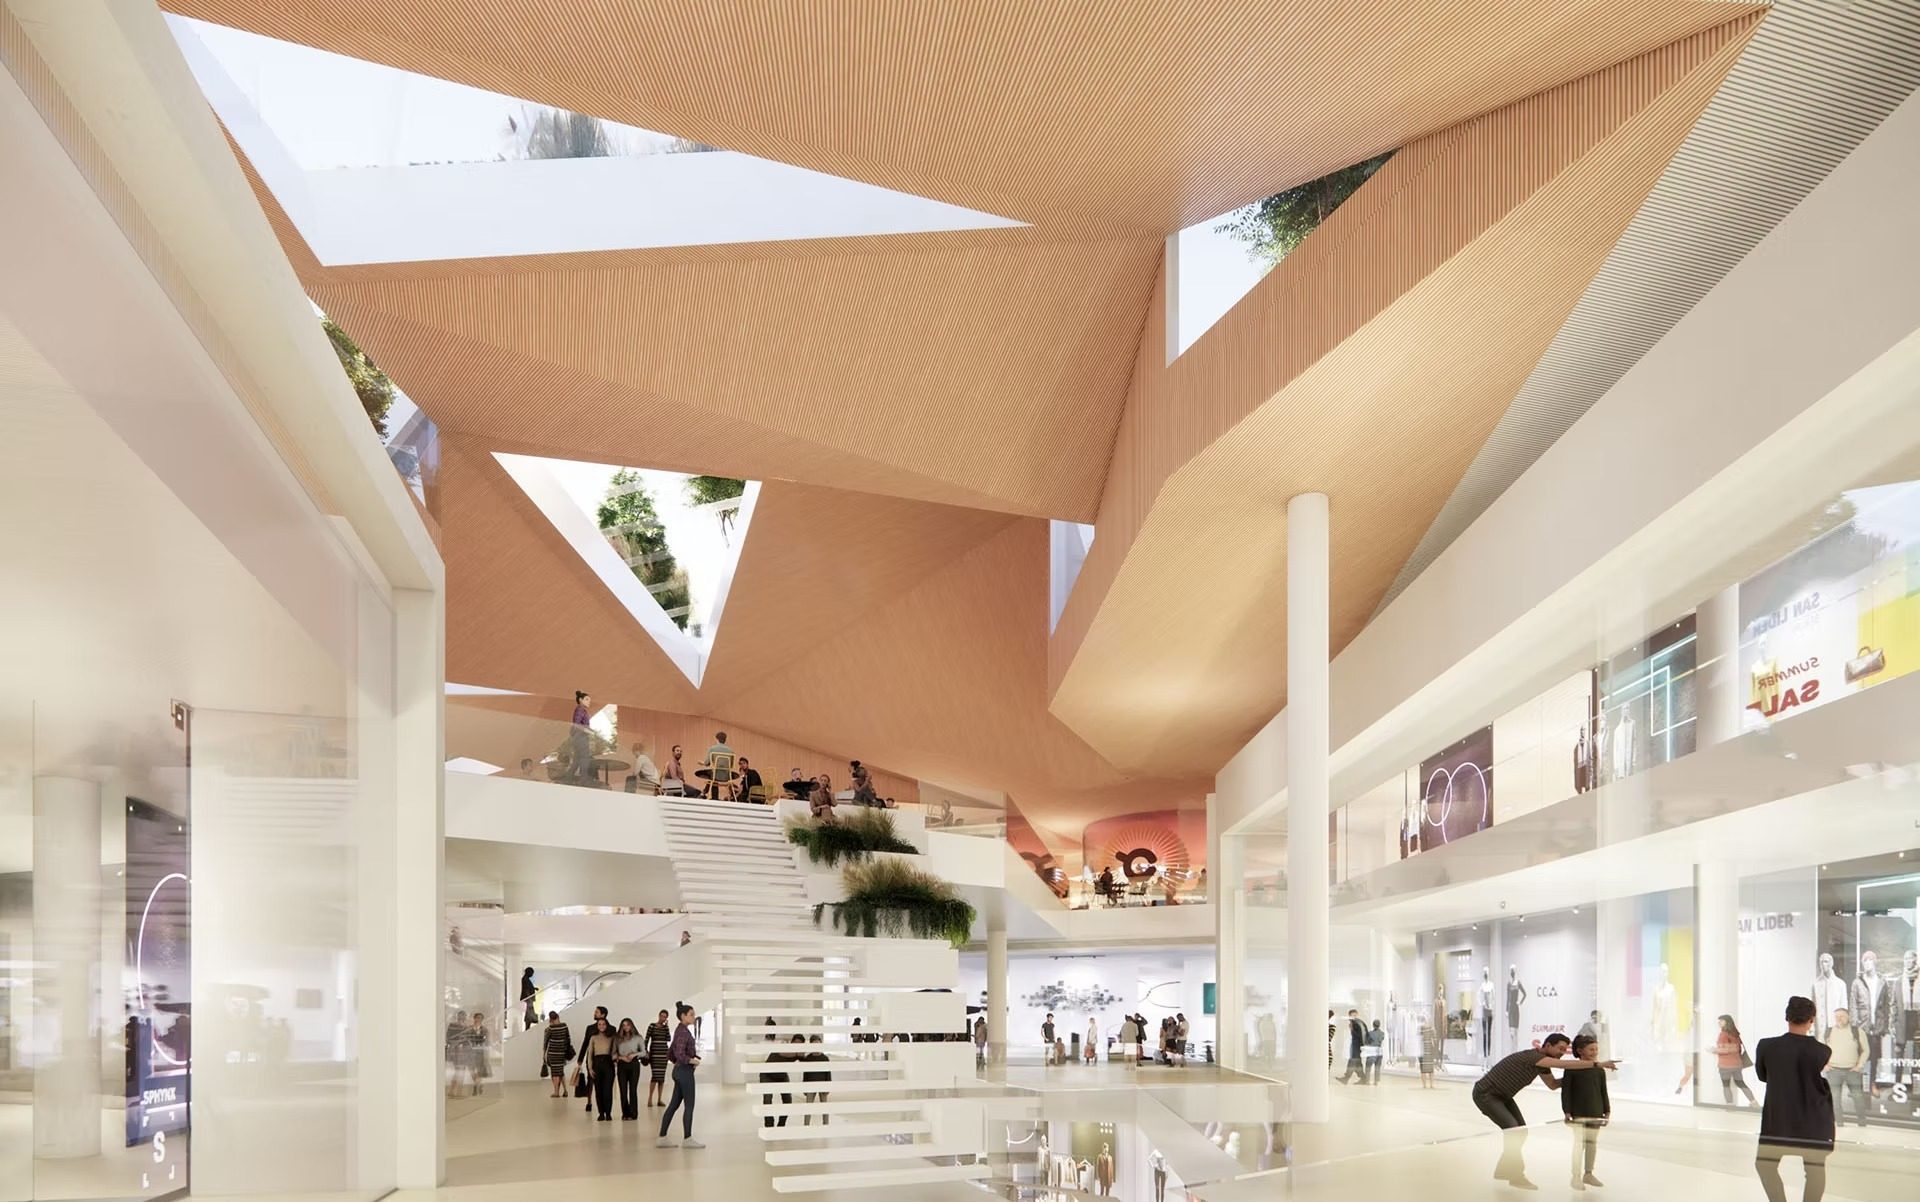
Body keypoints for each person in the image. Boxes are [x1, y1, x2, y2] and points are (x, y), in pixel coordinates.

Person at [1471, 1032, 1617, 1189]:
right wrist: (1597, 1064)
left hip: (1503, 1096)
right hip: (1486, 1094)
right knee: (1514, 1130)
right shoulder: (1534, 1057)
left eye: (1564, 1050)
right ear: (1547, 1046)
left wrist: (1579, 1079)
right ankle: (1516, 1176)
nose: (1561, 1053)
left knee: (1520, 1130)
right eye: (1559, 1049)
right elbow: (1564, 1065)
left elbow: (1553, 1084)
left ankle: (1505, 1171)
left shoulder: (1542, 1064)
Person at [1754, 996, 1834, 1202]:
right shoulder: (1822, 1051)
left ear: (1787, 1017)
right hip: (1813, 1121)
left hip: (1779, 1119)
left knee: (1764, 1164)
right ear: (1812, 1020)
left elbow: (1763, 1076)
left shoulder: (1766, 1047)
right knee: (1815, 1169)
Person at [1562, 1033, 1610, 1190]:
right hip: (1577, 1112)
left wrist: (1607, 1110)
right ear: (1580, 1050)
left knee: (1592, 1144)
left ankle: (1588, 1174)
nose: (1595, 1052)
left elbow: (1604, 1091)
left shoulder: (1599, 1069)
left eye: (1596, 1049)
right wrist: (1567, 1112)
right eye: (1591, 1049)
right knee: (1579, 1144)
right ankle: (1575, 1176)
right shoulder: (1571, 1069)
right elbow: (1566, 1092)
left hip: (1596, 1111)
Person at [656, 1002, 704, 1148]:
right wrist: (691, 1060)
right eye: (691, 1015)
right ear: (683, 1016)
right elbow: (678, 1053)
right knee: (689, 1105)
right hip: (684, 1072)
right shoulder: (683, 1032)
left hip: (678, 1071)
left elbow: (671, 1052)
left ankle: (662, 1138)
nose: (694, 1017)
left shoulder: (679, 1030)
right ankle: (687, 1139)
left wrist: (688, 1058)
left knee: (673, 1105)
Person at [1822, 1006, 1869, 1127]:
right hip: (1833, 1071)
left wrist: (1860, 1065)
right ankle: (1839, 1123)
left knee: (1858, 1097)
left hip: (1852, 1070)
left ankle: (1862, 1122)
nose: (1839, 1019)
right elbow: (1819, 1050)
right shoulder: (1828, 1032)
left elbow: (1866, 1050)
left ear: (1848, 1017)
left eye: (1842, 1016)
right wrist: (1824, 1065)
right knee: (1835, 1099)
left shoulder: (1857, 1031)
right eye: (1836, 1017)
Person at [579, 1007, 617, 1121]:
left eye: (603, 1024)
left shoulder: (611, 1035)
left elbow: (615, 1050)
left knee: (607, 1090)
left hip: (608, 1064)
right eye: (599, 1024)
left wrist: (616, 1061)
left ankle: (608, 1113)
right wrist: (589, 1067)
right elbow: (589, 1052)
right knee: (598, 1090)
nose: (601, 1026)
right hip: (596, 1064)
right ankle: (601, 1113)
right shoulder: (593, 1036)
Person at [1715, 1013, 1759, 1106]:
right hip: (1737, 1064)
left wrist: (1714, 1050)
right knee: (1740, 1083)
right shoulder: (1736, 1034)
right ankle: (1753, 1102)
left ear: (1727, 1022)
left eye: (1721, 1021)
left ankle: (1730, 1105)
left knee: (1726, 1085)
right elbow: (1738, 1049)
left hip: (1725, 1065)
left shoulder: (1723, 1034)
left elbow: (1724, 1050)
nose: (1719, 1023)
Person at [760, 1024, 794, 1128]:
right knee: (767, 1099)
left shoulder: (784, 1042)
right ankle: (769, 1125)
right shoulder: (767, 1042)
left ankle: (781, 1123)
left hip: (782, 1075)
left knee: (788, 1100)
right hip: (767, 1074)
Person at [613, 1018, 644, 1120]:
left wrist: (634, 1055)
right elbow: (613, 1054)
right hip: (622, 1065)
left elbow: (644, 1052)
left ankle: (633, 1113)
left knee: (633, 1090)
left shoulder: (638, 1038)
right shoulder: (617, 1039)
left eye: (628, 1025)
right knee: (623, 1090)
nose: (626, 1027)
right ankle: (625, 1113)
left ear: (631, 1026)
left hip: (634, 1064)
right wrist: (622, 1058)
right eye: (624, 1025)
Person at [643, 1009, 672, 1108]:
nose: (662, 1018)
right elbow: (646, 1039)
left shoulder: (665, 1028)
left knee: (661, 1078)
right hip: (654, 1054)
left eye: (665, 1017)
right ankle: (650, 1098)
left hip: (663, 1054)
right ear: (659, 1015)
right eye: (662, 1016)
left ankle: (659, 1099)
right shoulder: (652, 1026)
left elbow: (668, 1039)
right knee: (655, 1076)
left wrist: (667, 1027)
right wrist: (645, 1051)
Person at [542, 1011, 574, 1098]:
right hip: (562, 1052)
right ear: (558, 1017)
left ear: (550, 1019)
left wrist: (544, 1054)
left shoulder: (550, 1029)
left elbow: (546, 1043)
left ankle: (556, 1092)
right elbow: (568, 1038)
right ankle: (565, 1090)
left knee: (555, 1073)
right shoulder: (564, 1026)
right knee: (561, 1072)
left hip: (553, 1053)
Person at [802, 1034, 831, 1125]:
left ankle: (825, 1124)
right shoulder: (808, 1058)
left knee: (824, 1107)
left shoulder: (825, 1058)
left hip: (823, 1085)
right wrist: (804, 1088)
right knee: (808, 1107)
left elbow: (828, 1073)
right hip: (810, 1085)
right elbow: (805, 1074)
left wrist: (828, 1087)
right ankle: (806, 1125)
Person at [699, 731, 735, 799]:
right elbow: (731, 765)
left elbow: (707, 763)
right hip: (727, 776)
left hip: (715, 776)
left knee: (711, 776)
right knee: (713, 775)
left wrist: (702, 763)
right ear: (725, 740)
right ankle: (704, 792)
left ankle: (710, 795)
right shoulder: (731, 751)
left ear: (717, 739)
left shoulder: (712, 748)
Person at [568, 690, 594, 785]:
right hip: (581, 738)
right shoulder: (580, 710)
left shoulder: (582, 710)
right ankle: (583, 780)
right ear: (580, 700)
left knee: (577, 760)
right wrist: (588, 731)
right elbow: (577, 724)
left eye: (589, 700)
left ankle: (568, 778)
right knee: (584, 759)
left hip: (578, 738)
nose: (589, 701)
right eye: (586, 699)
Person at [1337, 1009, 1366, 1084]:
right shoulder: (1356, 1023)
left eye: (1355, 1015)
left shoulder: (1356, 1024)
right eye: (1352, 1015)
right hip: (1355, 1046)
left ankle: (1346, 1079)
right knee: (1358, 1063)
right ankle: (1363, 1078)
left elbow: (1359, 1035)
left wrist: (1352, 1029)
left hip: (1356, 1046)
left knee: (1352, 1062)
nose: (1354, 1017)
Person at [1364, 1019, 1386, 1085]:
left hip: (1371, 1051)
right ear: (1379, 1025)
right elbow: (1381, 1040)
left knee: (1368, 1067)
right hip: (1379, 1051)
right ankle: (1376, 1081)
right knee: (1377, 1067)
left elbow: (1366, 1042)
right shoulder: (1382, 1033)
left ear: (1373, 1025)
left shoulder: (1369, 1033)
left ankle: (1367, 1081)